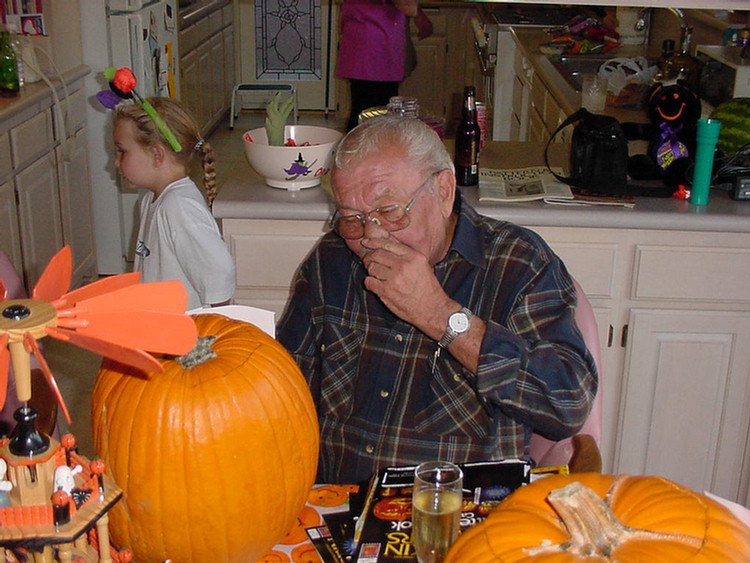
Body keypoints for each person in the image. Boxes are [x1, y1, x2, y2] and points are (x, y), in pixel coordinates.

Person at [278, 116, 598, 484]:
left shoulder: (519, 264)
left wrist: (441, 316)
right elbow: (284, 389)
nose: (370, 237)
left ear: (444, 191)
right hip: (337, 508)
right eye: (352, 218)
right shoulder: (332, 261)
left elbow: (567, 405)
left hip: (463, 519)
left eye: (389, 212)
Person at [113, 97, 235, 310]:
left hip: (187, 338)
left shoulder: (178, 207)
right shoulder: (150, 201)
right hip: (160, 331)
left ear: (157, 154)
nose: (116, 161)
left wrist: (217, 331)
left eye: (122, 151)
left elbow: (220, 273)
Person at [337, 0, 432, 132]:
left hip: (365, 41)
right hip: (375, 46)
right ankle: (357, 151)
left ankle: (353, 150)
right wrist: (417, 13)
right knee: (374, 117)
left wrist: (418, 14)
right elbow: (407, 6)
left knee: (364, 112)